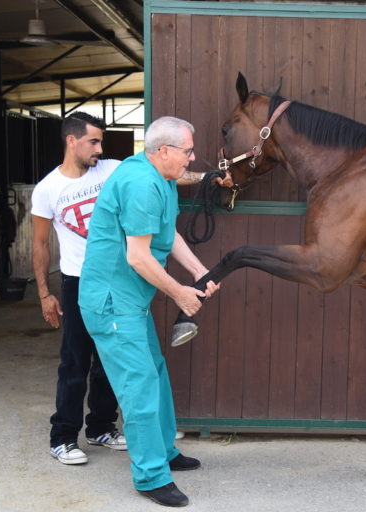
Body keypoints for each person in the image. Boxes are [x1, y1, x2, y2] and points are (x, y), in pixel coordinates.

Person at [78, 116, 219, 507]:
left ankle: (165, 453)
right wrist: (180, 294)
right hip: (111, 303)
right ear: (163, 151)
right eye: (188, 151)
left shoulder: (163, 178)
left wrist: (199, 271)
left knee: (154, 375)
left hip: (131, 301)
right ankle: (150, 476)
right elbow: (138, 256)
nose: (191, 158)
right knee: (138, 387)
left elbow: (166, 233)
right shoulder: (141, 184)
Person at [31, 112, 126, 465]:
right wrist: (44, 293)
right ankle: (63, 437)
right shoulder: (47, 189)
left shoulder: (112, 170)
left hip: (116, 278)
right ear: (72, 141)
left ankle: (101, 427)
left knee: (109, 358)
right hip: (77, 282)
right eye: (93, 142)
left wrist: (210, 179)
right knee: (75, 361)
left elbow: (159, 173)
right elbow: (40, 244)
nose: (99, 149)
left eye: (100, 142)